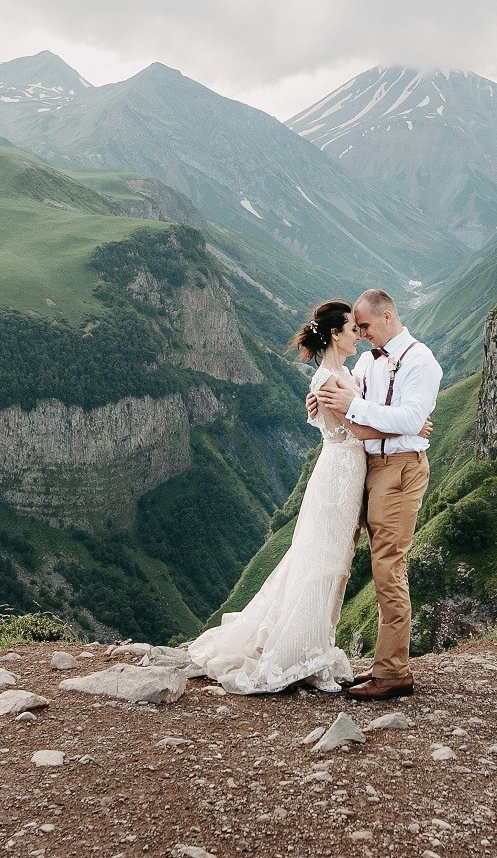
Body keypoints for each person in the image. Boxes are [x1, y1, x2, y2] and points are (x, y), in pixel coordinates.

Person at [187, 300, 429, 695]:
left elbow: (360, 413)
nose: (359, 334)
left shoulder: (343, 373)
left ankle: (312, 646)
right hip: (341, 476)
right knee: (326, 562)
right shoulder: (331, 381)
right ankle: (302, 651)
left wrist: (403, 421)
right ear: (335, 335)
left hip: (347, 472)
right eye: (353, 329)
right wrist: (414, 429)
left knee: (330, 561)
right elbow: (361, 430)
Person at [313, 288, 442, 701]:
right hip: (368, 467)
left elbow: (408, 416)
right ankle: (381, 666)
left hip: (401, 470)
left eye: (365, 325)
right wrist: (328, 402)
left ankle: (393, 673)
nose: (362, 333)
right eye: (357, 327)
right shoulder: (368, 362)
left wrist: (358, 406)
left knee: (389, 565)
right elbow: (366, 418)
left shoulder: (422, 361)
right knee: (361, 560)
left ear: (387, 317)